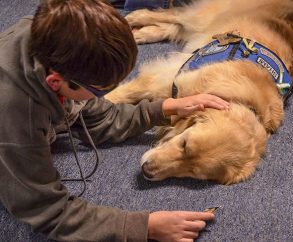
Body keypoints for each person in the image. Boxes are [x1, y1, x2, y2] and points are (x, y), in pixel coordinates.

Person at [0, 0, 229, 241]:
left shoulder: (52, 36)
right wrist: (144, 226)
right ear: (56, 82)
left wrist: (163, 109)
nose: (104, 96)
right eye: (100, 91)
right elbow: (47, 211)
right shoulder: (17, 121)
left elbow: (100, 118)